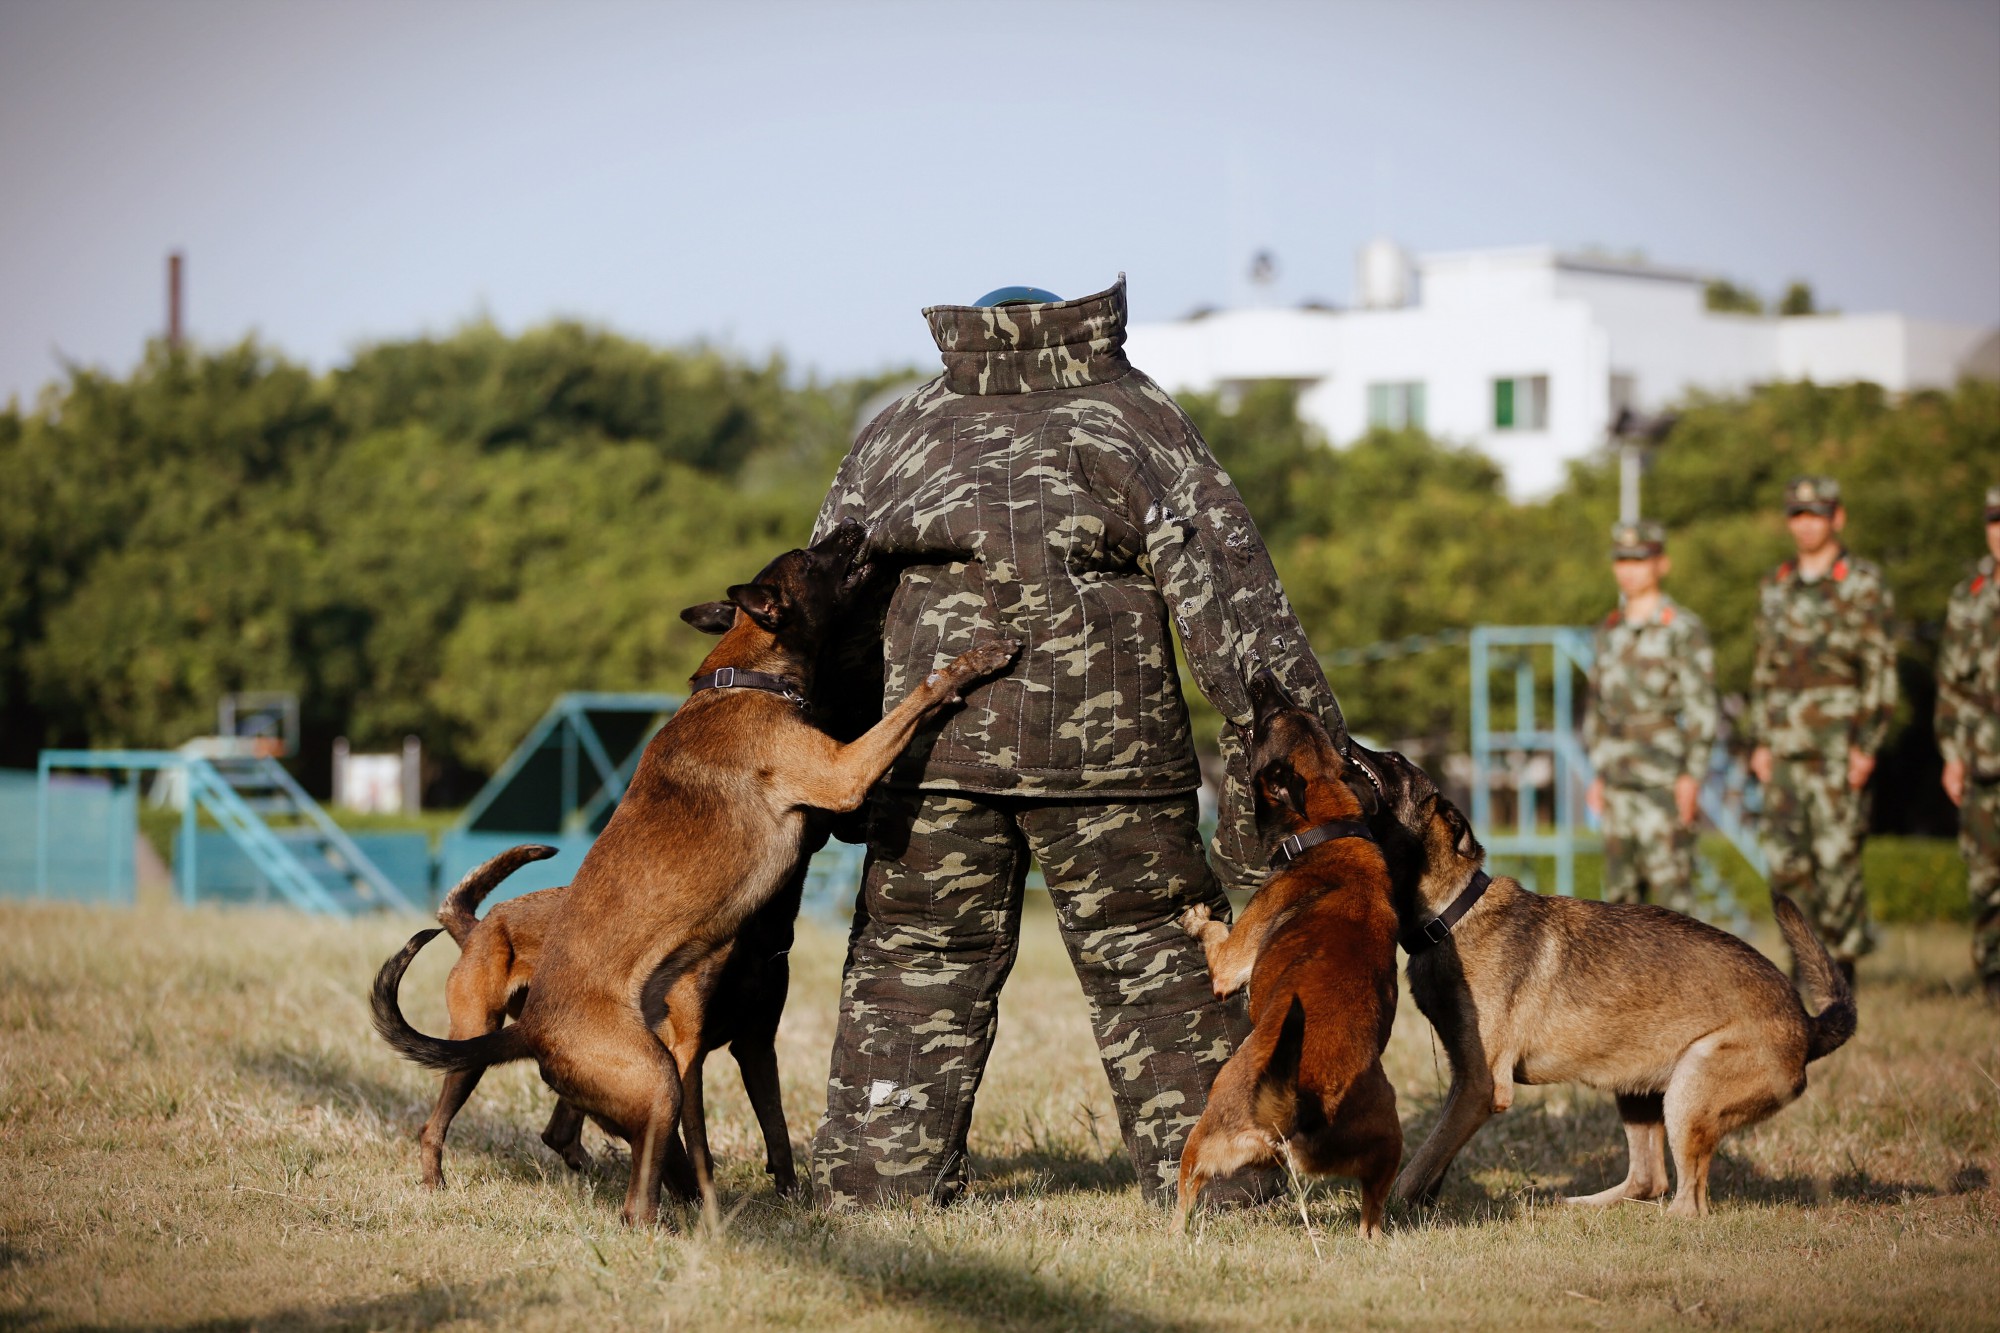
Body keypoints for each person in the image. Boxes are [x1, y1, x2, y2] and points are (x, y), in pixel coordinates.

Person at [806, 277, 1348, 1206]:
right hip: (1115, 767)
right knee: (1161, 966)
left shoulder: (898, 431)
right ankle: (1222, 1193)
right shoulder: (1137, 418)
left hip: (932, 759)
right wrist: (1304, 759)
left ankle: (873, 1188)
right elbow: (1234, 602)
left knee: (911, 961)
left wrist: (836, 754)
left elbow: (829, 599)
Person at [1749, 476, 1898, 984]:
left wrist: (1867, 745)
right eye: (1797, 513)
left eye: (1817, 513)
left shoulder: (1862, 582)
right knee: (1788, 863)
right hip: (1784, 747)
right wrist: (1760, 741)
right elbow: (1765, 669)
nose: (1806, 523)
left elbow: (1879, 668)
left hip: (1839, 746)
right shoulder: (1776, 584)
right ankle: (1800, 967)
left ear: (1838, 517)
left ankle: (1843, 973)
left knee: (1838, 862)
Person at [1583, 520, 1719, 913]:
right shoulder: (1608, 630)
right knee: (1619, 903)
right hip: (1617, 782)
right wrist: (1598, 774)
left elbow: (1701, 709)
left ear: (1661, 564)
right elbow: (1597, 708)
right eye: (1622, 559)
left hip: (1664, 780)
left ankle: (1679, 977)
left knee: (1671, 901)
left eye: (1639, 559)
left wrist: (1691, 776)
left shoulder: (1682, 629)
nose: (1629, 569)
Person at [1935, 485, 2000, 1004]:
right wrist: (1952, 754)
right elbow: (1952, 685)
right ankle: (1993, 986)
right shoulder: (1970, 594)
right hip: (1981, 760)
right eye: (1995, 521)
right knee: (1985, 881)